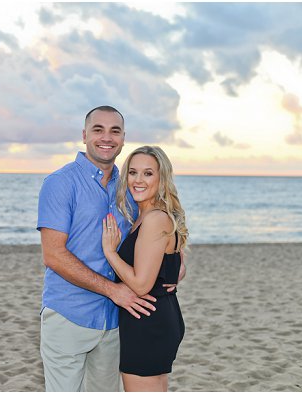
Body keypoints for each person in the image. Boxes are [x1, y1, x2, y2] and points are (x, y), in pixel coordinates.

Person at [37, 105, 153, 392]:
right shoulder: (60, 183)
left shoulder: (128, 189)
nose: (107, 137)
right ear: (84, 135)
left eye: (115, 131)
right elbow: (53, 255)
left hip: (114, 321)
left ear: (123, 138)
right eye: (98, 129)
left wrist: (176, 264)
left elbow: (150, 232)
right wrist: (112, 290)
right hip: (68, 315)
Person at [100, 145, 191, 392]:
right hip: (154, 316)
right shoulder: (147, 216)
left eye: (148, 173)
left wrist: (110, 253)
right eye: (133, 172)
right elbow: (175, 261)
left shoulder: (154, 218)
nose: (138, 180)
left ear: (162, 178)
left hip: (148, 320)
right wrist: (178, 272)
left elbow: (141, 285)